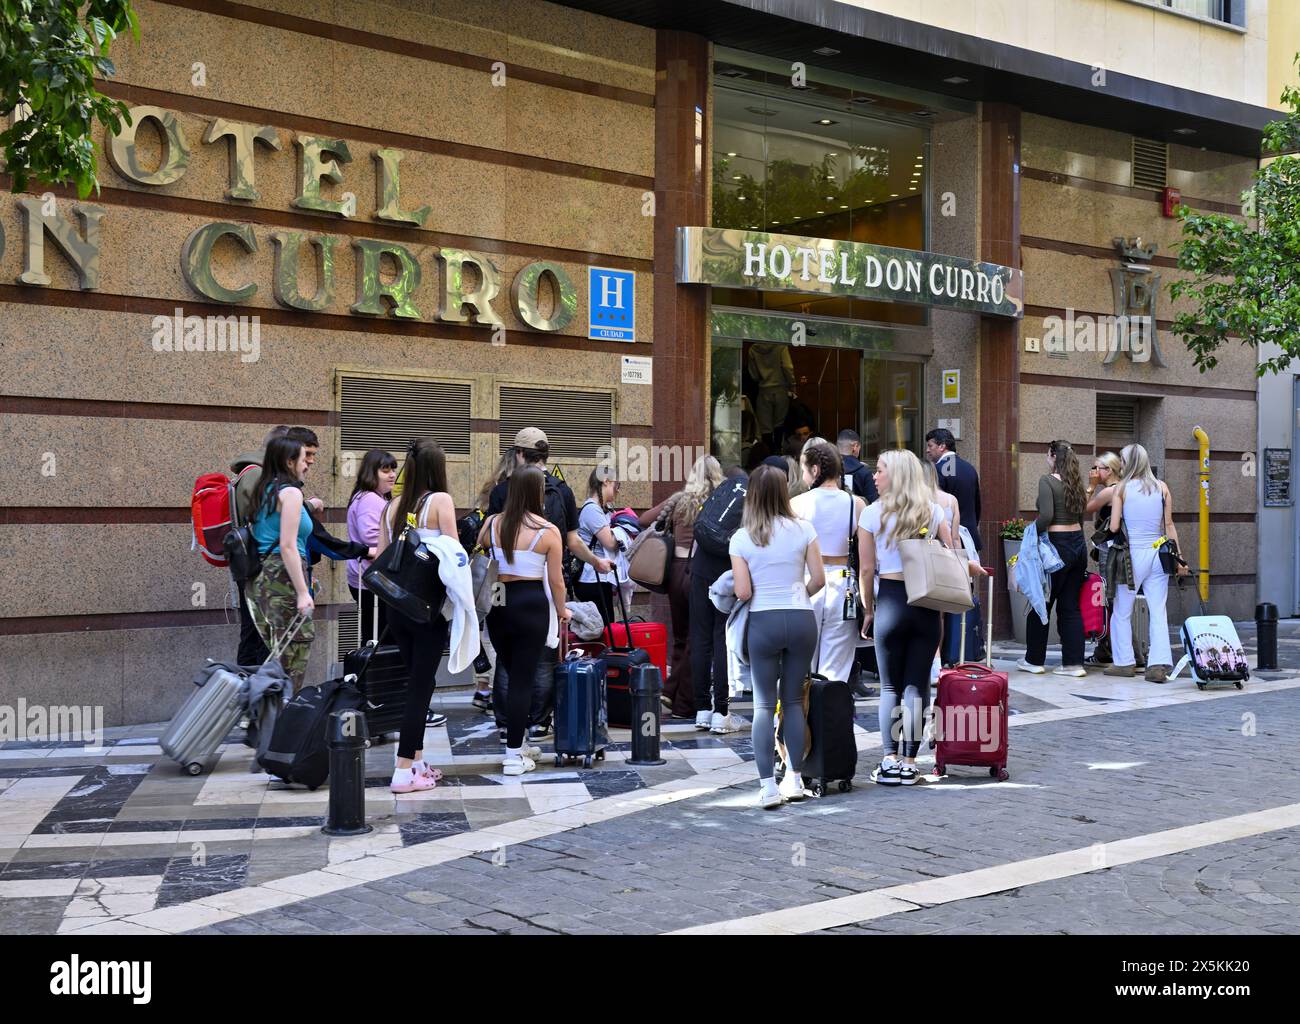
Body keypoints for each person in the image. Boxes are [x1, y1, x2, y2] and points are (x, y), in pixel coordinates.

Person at [859, 449, 985, 786]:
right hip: (926, 603)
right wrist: (970, 568)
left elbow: (867, 568)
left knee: (890, 686)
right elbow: (951, 554)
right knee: (915, 684)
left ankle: (888, 759)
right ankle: (910, 761)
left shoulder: (871, 514)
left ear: (895, 475)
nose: (875, 476)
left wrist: (867, 608)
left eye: (881, 469)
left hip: (890, 601)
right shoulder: (931, 510)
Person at [486, 428, 611, 741]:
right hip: (541, 587)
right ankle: (539, 722)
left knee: (506, 658)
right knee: (543, 654)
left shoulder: (502, 492)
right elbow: (572, 541)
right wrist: (595, 563)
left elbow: (486, 545)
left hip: (502, 588)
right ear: (545, 456)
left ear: (518, 454)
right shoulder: (562, 491)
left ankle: (505, 722)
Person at [731, 464, 825, 809]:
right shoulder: (804, 529)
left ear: (752, 495)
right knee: (796, 702)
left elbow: (742, 591)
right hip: (801, 618)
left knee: (763, 706)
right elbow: (818, 579)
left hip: (763, 621)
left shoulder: (742, 538)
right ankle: (796, 778)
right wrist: (798, 593)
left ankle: (768, 786)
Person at [373, 440, 458, 793]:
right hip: (427, 610)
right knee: (420, 689)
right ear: (437, 468)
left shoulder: (392, 506)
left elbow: (379, 554)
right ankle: (403, 769)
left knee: (416, 683)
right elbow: (455, 556)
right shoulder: (441, 502)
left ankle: (418, 761)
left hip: (395, 607)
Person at [478, 466, 571, 776]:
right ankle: (513, 755)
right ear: (536, 492)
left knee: (507, 669)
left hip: (499, 600)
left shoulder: (492, 523)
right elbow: (557, 581)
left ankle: (518, 741)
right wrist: (562, 610)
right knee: (523, 680)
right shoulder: (547, 531)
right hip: (530, 602)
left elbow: (480, 549)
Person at [639, 455, 724, 719]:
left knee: (681, 637)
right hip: (699, 572)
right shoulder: (717, 502)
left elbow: (644, 520)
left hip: (674, 572)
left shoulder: (680, 499)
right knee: (698, 639)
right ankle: (683, 701)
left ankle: (670, 694)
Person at [1106, 444, 1185, 683]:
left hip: (1133, 556)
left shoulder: (1122, 488)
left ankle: (1124, 662)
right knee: (1158, 610)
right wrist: (1180, 558)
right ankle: (1157, 666)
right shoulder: (1162, 488)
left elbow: (1114, 527)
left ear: (1128, 463)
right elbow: (1169, 525)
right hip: (1158, 554)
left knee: (1121, 610)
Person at [791, 442, 864, 686]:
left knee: (801, 662)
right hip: (843, 582)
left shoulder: (797, 504)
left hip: (806, 581)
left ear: (814, 469)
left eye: (804, 469)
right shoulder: (856, 504)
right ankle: (829, 717)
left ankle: (799, 718)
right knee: (837, 665)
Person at [247, 435, 315, 693]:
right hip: (282, 579)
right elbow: (288, 546)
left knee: (280, 654)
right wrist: (302, 592)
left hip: (261, 580)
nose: (307, 464)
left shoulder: (264, 490)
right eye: (303, 458)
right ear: (289, 462)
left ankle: (268, 720)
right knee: (293, 654)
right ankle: (283, 725)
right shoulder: (291, 493)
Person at [1015, 440, 1089, 678]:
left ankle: (1034, 660)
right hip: (1078, 545)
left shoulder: (1047, 481)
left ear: (1053, 456)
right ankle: (1073, 664)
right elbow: (1081, 516)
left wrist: (1031, 532)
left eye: (1048, 454)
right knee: (1070, 608)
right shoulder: (1077, 484)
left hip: (1055, 547)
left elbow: (1046, 516)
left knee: (1041, 601)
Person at [691, 466, 749, 735]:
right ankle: (721, 712)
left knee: (700, 639)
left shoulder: (722, 493)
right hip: (726, 572)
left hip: (700, 568)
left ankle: (702, 708)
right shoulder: (751, 498)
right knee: (721, 639)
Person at [230, 425, 289, 665]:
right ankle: (251, 695)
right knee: (258, 636)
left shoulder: (251, 472)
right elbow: (263, 521)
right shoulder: (257, 475)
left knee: (254, 633)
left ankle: (247, 695)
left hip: (249, 562)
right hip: (256, 564)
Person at [346, 449, 398, 643]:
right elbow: (372, 540)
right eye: (385, 470)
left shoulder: (369, 497)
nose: (392, 474)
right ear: (371, 472)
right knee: (378, 639)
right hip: (373, 581)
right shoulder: (370, 499)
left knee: (372, 637)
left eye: (393, 469)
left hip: (368, 579)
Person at [1084, 451, 1123, 664]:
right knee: (1116, 599)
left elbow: (1082, 508)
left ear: (1108, 470)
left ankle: (1106, 649)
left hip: (1110, 550)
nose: (1094, 471)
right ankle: (1110, 648)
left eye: (1097, 467)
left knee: (1109, 598)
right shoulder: (1123, 487)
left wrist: (1090, 486)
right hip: (1120, 550)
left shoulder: (1109, 492)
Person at [574, 467, 621, 629]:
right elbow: (610, 542)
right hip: (592, 579)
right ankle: (602, 654)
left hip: (598, 577)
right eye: (617, 484)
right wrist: (623, 533)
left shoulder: (601, 509)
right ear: (606, 481)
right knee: (605, 629)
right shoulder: (592, 510)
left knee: (605, 627)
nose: (617, 489)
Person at [924, 427, 981, 553]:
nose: (927, 450)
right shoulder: (970, 468)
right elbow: (977, 506)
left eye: (930, 446)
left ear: (942, 446)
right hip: (971, 538)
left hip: (948, 542)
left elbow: (936, 506)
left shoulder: (937, 470)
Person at [748, 342, 795, 449]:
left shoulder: (753, 349)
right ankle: (778, 450)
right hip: (781, 389)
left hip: (763, 390)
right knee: (780, 423)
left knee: (765, 428)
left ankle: (767, 453)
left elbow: (753, 374)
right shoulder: (781, 346)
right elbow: (788, 367)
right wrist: (792, 384)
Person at [837, 429, 879, 503]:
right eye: (859, 448)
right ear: (855, 446)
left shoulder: (828, 469)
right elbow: (873, 503)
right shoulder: (865, 472)